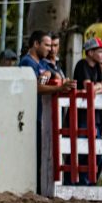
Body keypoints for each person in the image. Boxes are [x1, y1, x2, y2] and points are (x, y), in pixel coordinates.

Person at [64, 37, 102, 184]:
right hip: (80, 118)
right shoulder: (82, 65)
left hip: (94, 118)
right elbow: (88, 89)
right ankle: (72, 184)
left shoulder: (97, 67)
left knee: (96, 153)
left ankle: (85, 183)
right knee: (79, 153)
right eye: (100, 51)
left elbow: (101, 88)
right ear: (90, 52)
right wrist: (98, 87)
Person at [19, 30, 76, 193]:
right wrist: (59, 87)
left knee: (43, 155)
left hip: (41, 117)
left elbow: (50, 76)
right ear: (36, 44)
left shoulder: (42, 64)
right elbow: (34, 87)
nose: (50, 49)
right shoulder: (27, 63)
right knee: (34, 155)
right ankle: (33, 190)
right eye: (47, 45)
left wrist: (52, 73)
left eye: (52, 45)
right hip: (31, 116)